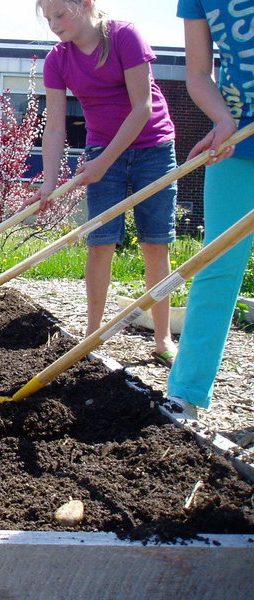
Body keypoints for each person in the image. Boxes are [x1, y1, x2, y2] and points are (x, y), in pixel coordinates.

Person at [30, 0, 179, 366]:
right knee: (100, 242)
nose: (53, 24)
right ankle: (92, 335)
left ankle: (163, 339)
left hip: (153, 149)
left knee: (154, 244)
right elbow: (54, 127)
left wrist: (102, 163)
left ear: (85, 4)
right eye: (47, 18)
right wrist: (49, 183)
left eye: (60, 14)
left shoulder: (124, 37)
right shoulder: (58, 60)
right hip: (101, 152)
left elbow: (142, 107)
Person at [166, 1, 254, 420]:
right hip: (238, 142)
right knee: (215, 263)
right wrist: (223, 119)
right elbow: (199, 73)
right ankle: (185, 393)